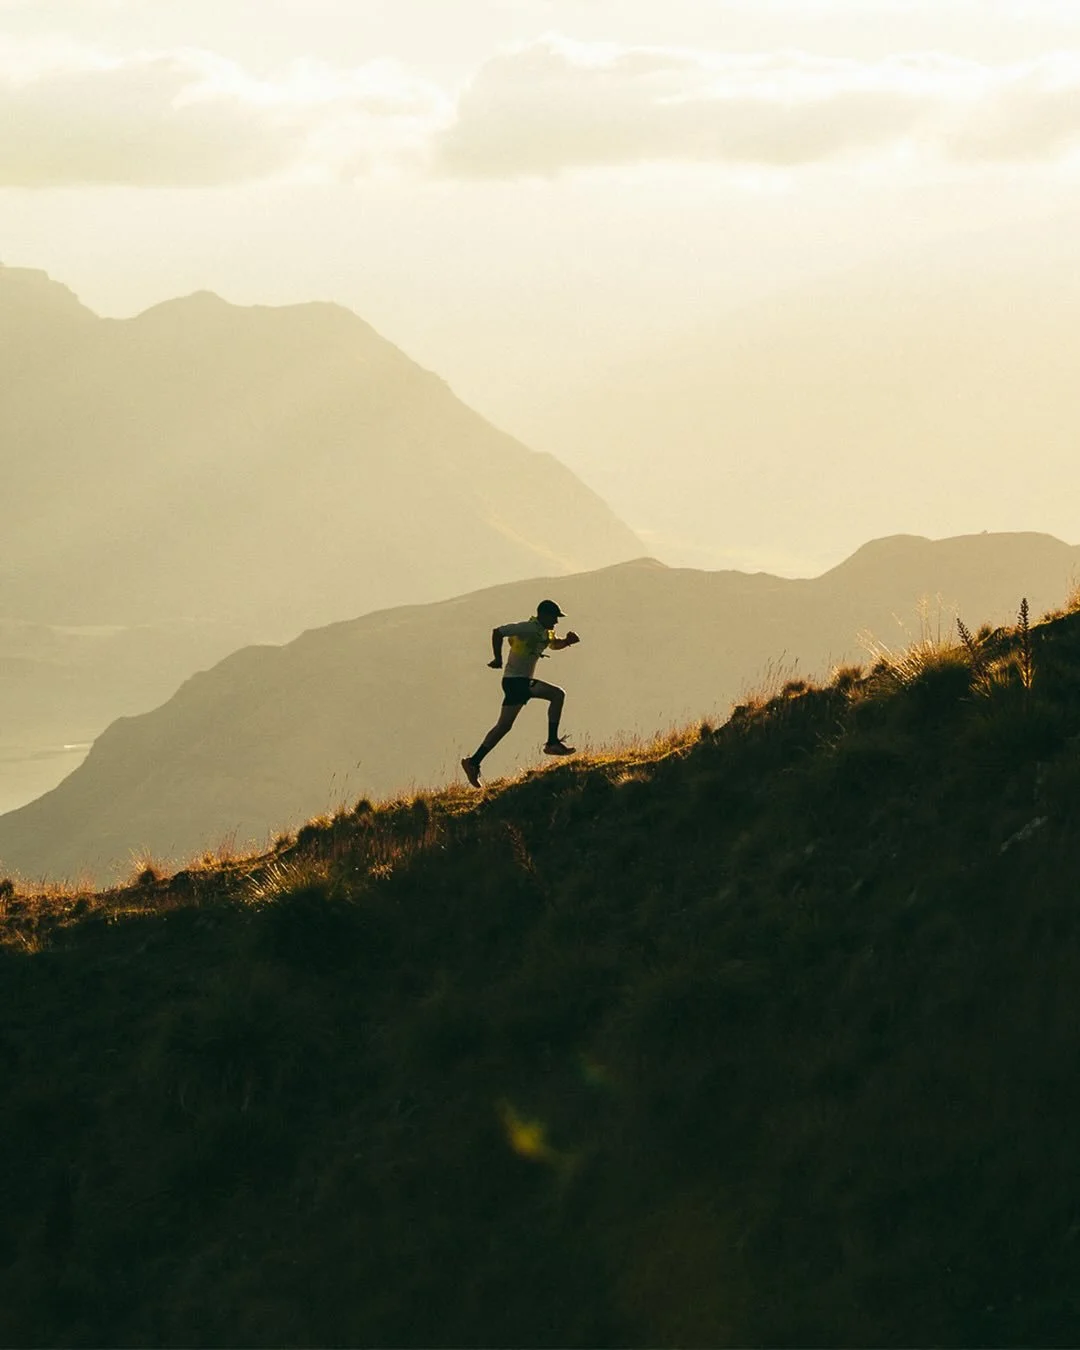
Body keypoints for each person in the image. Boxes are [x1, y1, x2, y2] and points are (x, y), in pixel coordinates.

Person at [461, 599, 581, 788]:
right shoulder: (527, 628)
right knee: (557, 695)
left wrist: (566, 642)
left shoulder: (544, 632)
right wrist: (497, 658)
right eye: (554, 617)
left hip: (515, 682)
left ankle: (473, 762)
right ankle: (551, 743)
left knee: (503, 726)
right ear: (543, 615)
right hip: (517, 681)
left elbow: (553, 644)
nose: (556, 622)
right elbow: (498, 632)